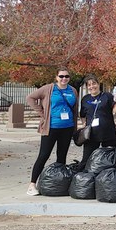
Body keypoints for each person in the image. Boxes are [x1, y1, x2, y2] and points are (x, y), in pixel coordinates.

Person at [25, 68, 79, 196]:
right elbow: (30, 98)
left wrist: (76, 127)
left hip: (67, 127)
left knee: (62, 156)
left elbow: (75, 109)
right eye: (61, 76)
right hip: (51, 127)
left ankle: (58, 183)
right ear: (56, 77)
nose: (64, 79)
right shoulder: (48, 89)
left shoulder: (73, 91)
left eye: (66, 76)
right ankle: (32, 184)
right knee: (43, 155)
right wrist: (42, 114)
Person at [78, 74, 116, 168]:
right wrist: (84, 124)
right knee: (87, 159)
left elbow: (115, 112)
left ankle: (108, 180)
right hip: (91, 135)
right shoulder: (85, 99)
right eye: (89, 85)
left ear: (98, 84)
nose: (92, 86)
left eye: (94, 83)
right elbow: (82, 115)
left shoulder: (107, 96)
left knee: (110, 159)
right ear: (86, 87)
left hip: (108, 133)